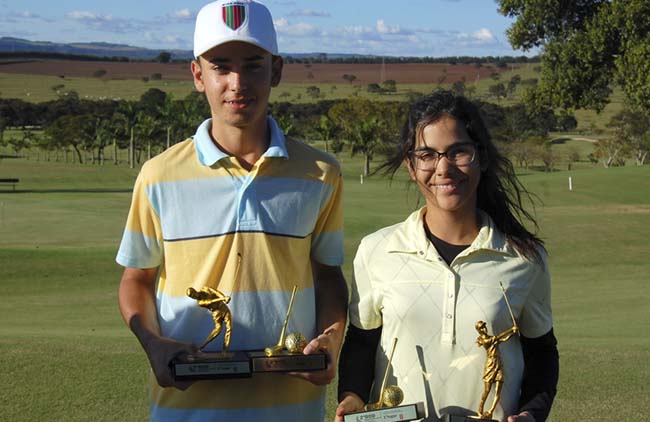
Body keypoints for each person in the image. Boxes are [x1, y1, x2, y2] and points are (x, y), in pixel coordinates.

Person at [116, 1, 347, 421]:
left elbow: (328, 276)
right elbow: (137, 277)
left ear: (275, 71)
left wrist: (331, 339)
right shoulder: (157, 175)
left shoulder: (320, 174)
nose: (237, 82)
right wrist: (153, 344)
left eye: (253, 65)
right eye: (221, 66)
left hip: (290, 410)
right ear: (197, 75)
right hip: (184, 411)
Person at [336, 91, 558, 422]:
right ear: (411, 166)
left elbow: (541, 353)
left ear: (481, 157)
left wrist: (532, 413)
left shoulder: (525, 258)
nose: (443, 168)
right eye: (427, 154)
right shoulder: (376, 250)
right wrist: (351, 397)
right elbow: (362, 343)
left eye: (458, 152)